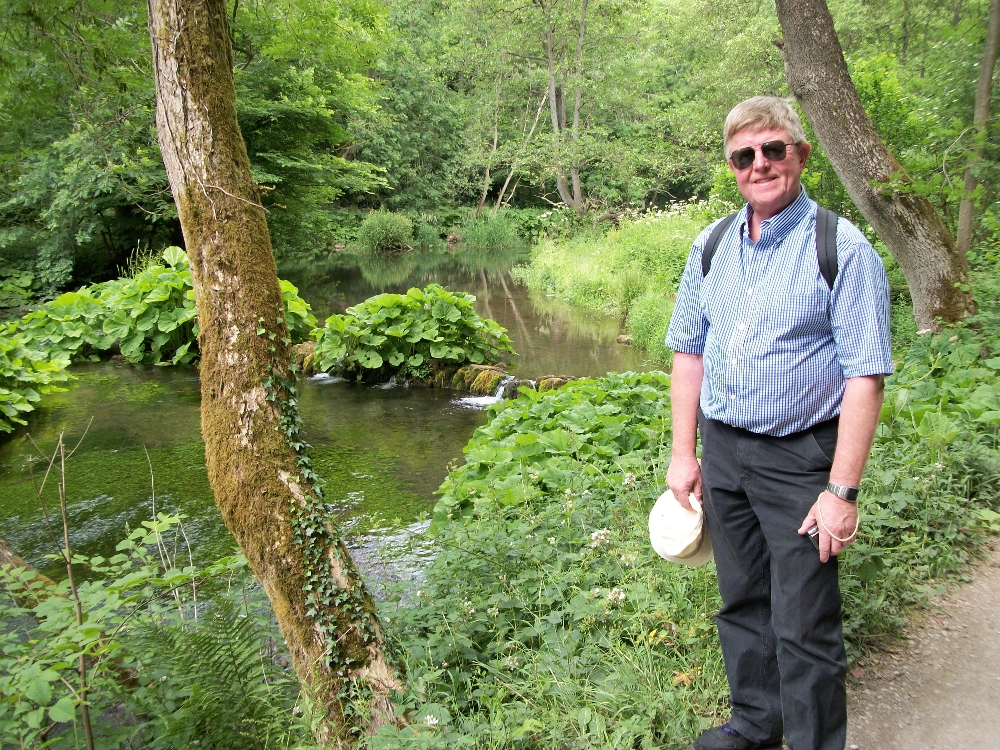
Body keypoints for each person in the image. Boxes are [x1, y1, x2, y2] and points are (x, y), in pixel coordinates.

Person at [664, 96, 894, 750]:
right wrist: (686, 454)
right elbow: (688, 352)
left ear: (800, 155)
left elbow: (865, 377)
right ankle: (757, 727)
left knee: (804, 622)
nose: (759, 165)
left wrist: (841, 491)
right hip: (727, 453)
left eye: (772, 150)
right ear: (733, 166)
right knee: (742, 605)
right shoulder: (709, 246)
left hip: (801, 461)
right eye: (745, 156)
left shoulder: (840, 250)